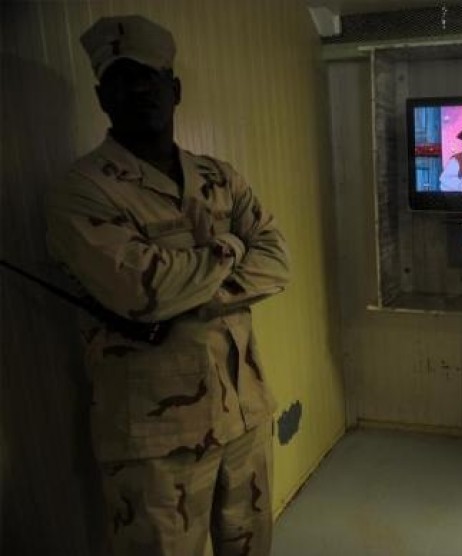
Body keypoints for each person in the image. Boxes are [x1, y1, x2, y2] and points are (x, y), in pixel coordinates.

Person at [45, 15, 290, 556]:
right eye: (119, 80)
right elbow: (143, 293)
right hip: (153, 442)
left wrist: (190, 284)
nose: (136, 90)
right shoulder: (81, 193)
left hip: (243, 413)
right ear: (100, 96)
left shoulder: (219, 178)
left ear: (173, 89)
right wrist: (228, 248)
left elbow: (277, 261)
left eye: (148, 77)